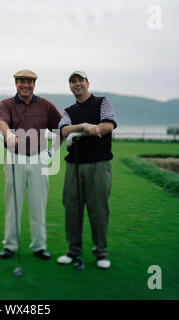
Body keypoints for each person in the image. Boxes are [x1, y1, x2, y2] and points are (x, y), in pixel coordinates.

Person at [0, 69, 62, 261]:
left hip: (39, 159)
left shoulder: (45, 105)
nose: (25, 85)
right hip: (14, 158)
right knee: (12, 205)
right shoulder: (6, 104)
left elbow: (62, 129)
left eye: (29, 82)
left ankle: (39, 246)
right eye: (21, 81)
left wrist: (52, 151)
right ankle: (10, 245)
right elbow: (2, 123)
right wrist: (8, 134)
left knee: (38, 205)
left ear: (34, 84)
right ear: (15, 83)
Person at [57, 70, 117, 269]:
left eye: (80, 80)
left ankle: (101, 253)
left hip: (98, 165)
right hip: (73, 166)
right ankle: (73, 252)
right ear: (70, 87)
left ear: (87, 83)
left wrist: (95, 129)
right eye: (73, 82)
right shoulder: (69, 111)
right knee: (72, 210)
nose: (77, 84)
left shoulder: (102, 102)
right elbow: (64, 130)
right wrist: (83, 126)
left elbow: (108, 125)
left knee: (98, 210)